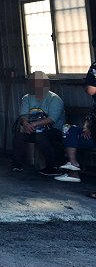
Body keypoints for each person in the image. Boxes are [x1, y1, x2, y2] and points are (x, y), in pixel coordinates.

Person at [10, 70, 65, 175]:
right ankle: (16, 164)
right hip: (33, 129)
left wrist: (34, 124)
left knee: (41, 136)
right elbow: (23, 116)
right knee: (19, 135)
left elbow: (52, 119)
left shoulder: (54, 99)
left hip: (53, 130)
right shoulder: (27, 98)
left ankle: (53, 166)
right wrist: (26, 124)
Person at [53, 60, 96, 191]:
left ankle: (73, 170)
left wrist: (89, 84)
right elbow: (91, 115)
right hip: (91, 133)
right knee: (69, 129)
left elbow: (91, 90)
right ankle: (73, 166)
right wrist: (86, 127)